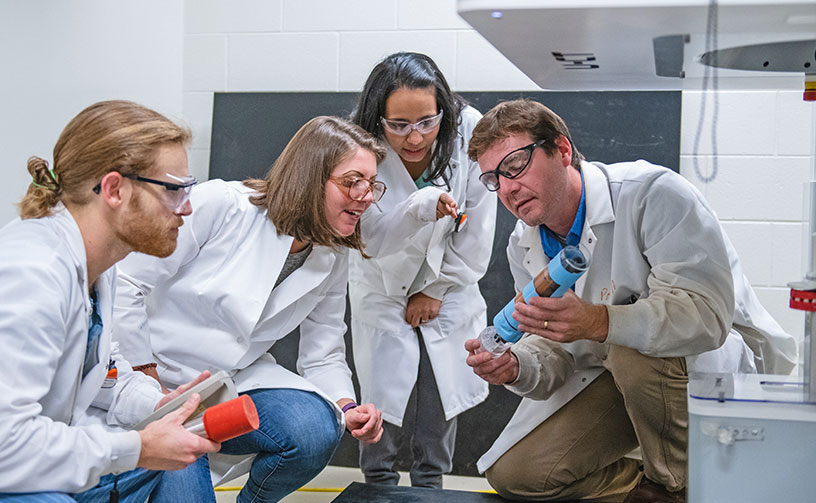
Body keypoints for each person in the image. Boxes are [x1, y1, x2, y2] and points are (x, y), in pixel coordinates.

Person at [464, 99, 796, 503]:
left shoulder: (652, 194)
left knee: (631, 349)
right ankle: (650, 488)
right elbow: (555, 349)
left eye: (515, 165)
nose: (508, 187)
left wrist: (599, 322)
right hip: (616, 380)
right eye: (494, 179)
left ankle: (675, 487)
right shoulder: (524, 243)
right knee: (518, 474)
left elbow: (707, 317)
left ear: (562, 150)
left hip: (702, 371)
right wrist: (516, 366)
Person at [112, 116, 385, 503]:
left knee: (317, 427)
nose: (367, 195)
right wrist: (148, 378)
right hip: (155, 381)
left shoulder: (330, 254)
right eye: (352, 181)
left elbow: (323, 352)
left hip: (229, 383)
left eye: (372, 184)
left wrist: (347, 405)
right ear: (310, 177)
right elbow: (127, 281)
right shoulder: (221, 205)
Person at [0, 100, 221, 501]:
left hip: (41, 452)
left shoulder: (100, 263)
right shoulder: (33, 272)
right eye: (173, 190)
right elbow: (5, 444)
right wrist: (137, 448)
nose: (187, 208)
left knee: (182, 447)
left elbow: (103, 375)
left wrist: (161, 403)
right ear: (115, 189)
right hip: (12, 465)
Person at [349, 52, 496, 488]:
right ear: (379, 118)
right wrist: (418, 209)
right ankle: (377, 484)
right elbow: (370, 235)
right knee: (380, 391)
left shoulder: (470, 130)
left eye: (427, 122)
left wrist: (435, 288)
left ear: (443, 111)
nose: (415, 137)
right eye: (398, 125)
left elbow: (478, 227)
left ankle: (431, 485)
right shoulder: (356, 140)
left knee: (442, 383)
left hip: (450, 281)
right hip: (381, 280)